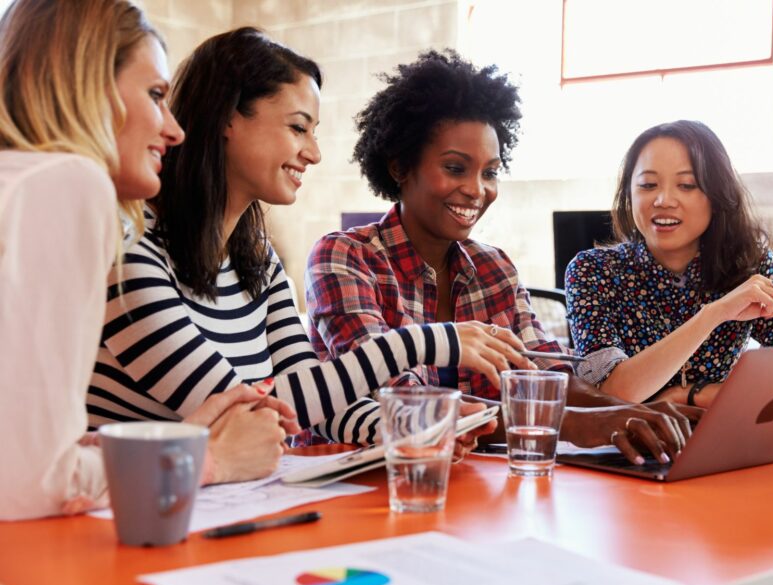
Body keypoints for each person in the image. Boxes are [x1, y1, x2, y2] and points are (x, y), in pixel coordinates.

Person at [87, 28, 531, 464]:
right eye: (299, 128)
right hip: (117, 519)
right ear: (227, 118)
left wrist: (409, 426)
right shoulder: (128, 248)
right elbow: (244, 415)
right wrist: (429, 341)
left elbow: (313, 397)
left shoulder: (256, 257)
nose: (314, 153)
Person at [306, 50, 696, 465]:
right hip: (356, 490)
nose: (477, 190)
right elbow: (404, 402)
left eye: (490, 172)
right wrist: (580, 425)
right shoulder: (344, 258)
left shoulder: (494, 268)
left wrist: (629, 412)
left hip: (469, 493)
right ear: (401, 166)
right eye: (456, 168)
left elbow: (545, 376)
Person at [0, 0, 299, 521]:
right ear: (87, 86)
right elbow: (32, 483)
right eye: (156, 95)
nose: (174, 129)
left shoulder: (23, 180)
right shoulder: (67, 184)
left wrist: (175, 440)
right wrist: (207, 458)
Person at [565, 120, 773, 408]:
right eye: (648, 185)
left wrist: (690, 394)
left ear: (717, 195)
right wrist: (713, 315)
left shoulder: (749, 265)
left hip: (725, 442)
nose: (664, 199)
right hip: (628, 447)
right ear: (629, 193)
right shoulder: (592, 271)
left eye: (687, 185)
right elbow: (609, 395)